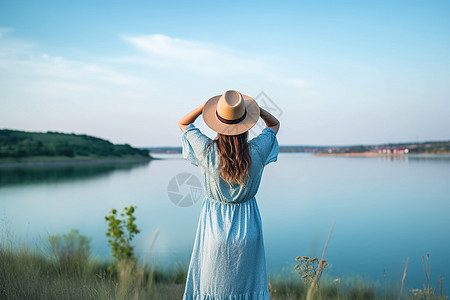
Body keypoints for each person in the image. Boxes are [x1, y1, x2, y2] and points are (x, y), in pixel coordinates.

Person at [178, 90, 280, 300]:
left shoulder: (206, 150)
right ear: (245, 125)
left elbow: (184, 124)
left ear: (217, 123)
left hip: (213, 229)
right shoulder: (257, 151)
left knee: (212, 288)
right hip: (248, 229)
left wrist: (204, 107)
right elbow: (274, 126)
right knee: (246, 291)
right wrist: (257, 111)